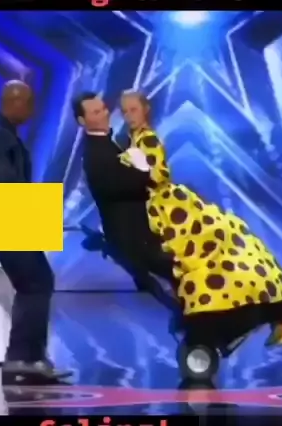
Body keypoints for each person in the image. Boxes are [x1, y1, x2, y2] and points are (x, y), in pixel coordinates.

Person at [119, 90, 282, 348]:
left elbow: (158, 174)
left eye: (133, 109)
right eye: (125, 111)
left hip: (168, 206)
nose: (129, 116)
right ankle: (279, 311)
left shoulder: (148, 139)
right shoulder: (135, 138)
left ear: (145, 109)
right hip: (160, 208)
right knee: (208, 257)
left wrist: (131, 166)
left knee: (215, 253)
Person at [0, 80, 70, 382]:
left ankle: (26, 356)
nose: (32, 110)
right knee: (36, 283)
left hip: (16, 222)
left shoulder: (5, 135)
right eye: (29, 103)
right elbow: (7, 183)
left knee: (37, 283)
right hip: (7, 223)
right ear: (15, 102)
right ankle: (25, 358)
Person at [73, 92, 181, 320]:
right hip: (134, 240)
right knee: (176, 288)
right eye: (96, 112)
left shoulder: (115, 143)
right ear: (82, 121)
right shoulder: (96, 153)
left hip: (144, 232)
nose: (105, 114)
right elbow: (124, 186)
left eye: (104, 108)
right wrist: (143, 171)